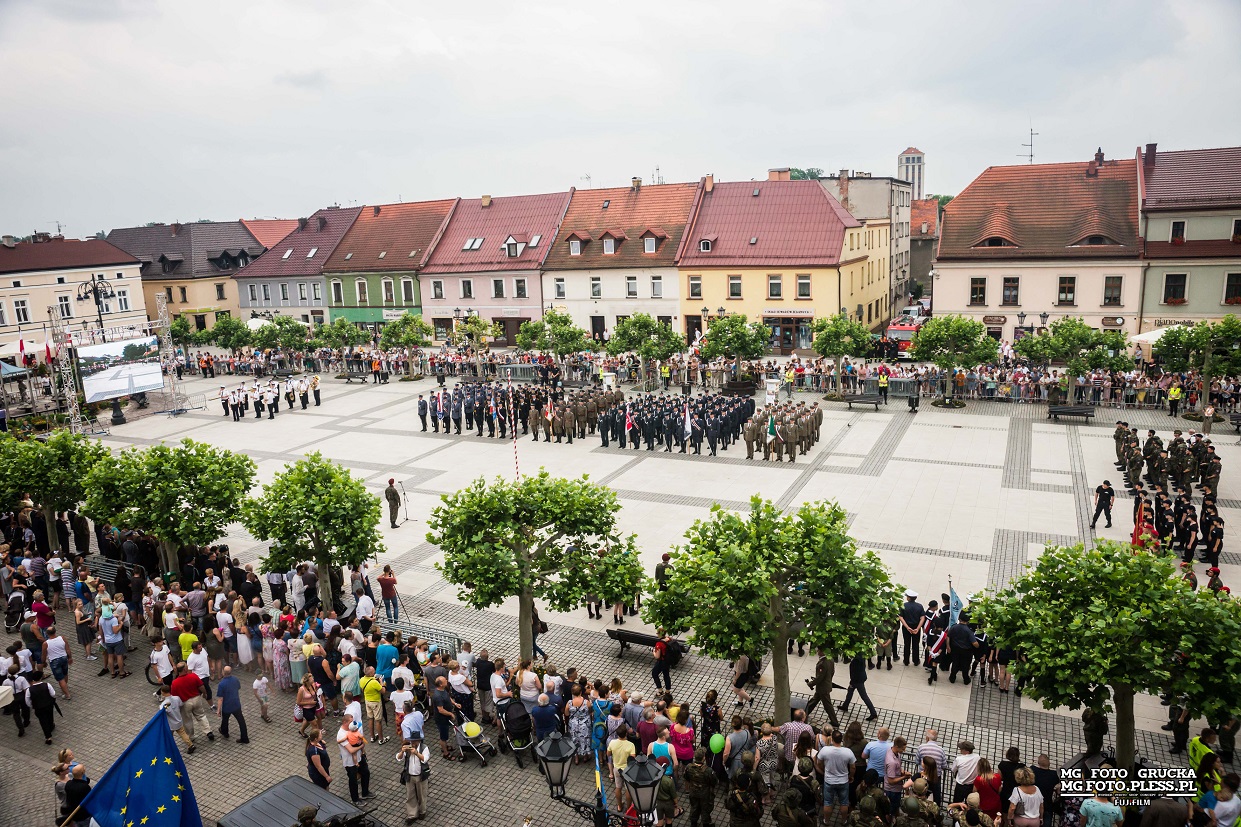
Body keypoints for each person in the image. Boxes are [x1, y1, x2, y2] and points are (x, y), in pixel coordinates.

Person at [816, 728, 856, 824]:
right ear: (841, 740)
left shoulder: (825, 750)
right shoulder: (848, 752)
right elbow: (853, 767)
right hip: (843, 781)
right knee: (844, 802)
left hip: (829, 781)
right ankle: (844, 821)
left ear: (832, 740)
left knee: (828, 802)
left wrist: (823, 771)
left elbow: (819, 762)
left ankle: (826, 821)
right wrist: (851, 776)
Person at [336, 714, 374, 805]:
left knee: (366, 773)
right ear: (345, 722)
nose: (352, 723)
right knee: (353, 780)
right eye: (350, 722)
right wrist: (361, 746)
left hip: (360, 757)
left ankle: (365, 793)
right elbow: (351, 750)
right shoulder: (341, 735)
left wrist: (362, 750)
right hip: (350, 762)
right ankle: (355, 799)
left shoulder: (352, 729)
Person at [215, 665, 249, 743]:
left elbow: (220, 699)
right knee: (241, 721)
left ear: (223, 672)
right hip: (236, 704)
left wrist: (218, 710)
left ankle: (225, 732)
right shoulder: (235, 679)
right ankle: (245, 738)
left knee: (225, 720)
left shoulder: (222, 684)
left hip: (227, 706)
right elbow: (238, 687)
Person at [401, 736, 430, 824]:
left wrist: (417, 753)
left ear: (418, 740)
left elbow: (425, 759)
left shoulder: (424, 748)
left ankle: (422, 811)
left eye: (414, 741)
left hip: (421, 776)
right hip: (409, 776)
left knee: (421, 795)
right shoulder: (408, 747)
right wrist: (402, 751)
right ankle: (412, 815)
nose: (412, 743)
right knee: (410, 796)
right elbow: (399, 758)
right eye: (411, 741)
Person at [652, 628, 673, 692]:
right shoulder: (669, 639)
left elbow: (657, 656)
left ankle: (660, 690)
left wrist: (653, 651)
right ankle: (667, 691)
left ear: (659, 634)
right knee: (666, 675)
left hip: (662, 661)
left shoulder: (659, 644)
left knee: (654, 674)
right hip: (668, 660)